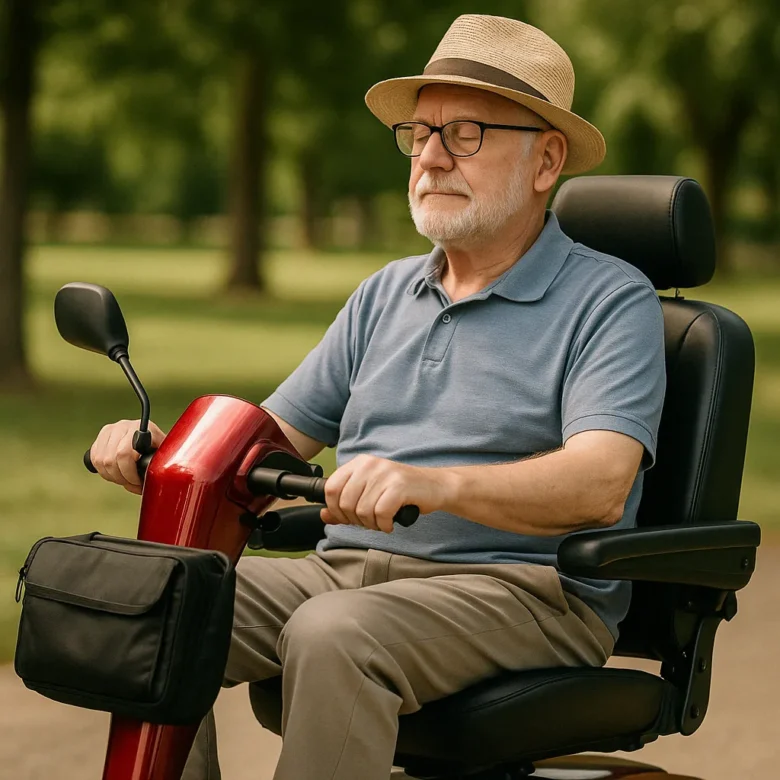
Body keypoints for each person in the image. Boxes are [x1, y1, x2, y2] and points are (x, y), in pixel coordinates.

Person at [90, 14, 665, 780]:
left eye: (465, 132)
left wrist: (437, 485)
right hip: (347, 571)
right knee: (162, 600)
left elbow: (600, 484)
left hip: (525, 594)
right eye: (419, 132)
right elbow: (267, 448)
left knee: (333, 633)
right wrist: (166, 453)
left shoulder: (610, 300)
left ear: (545, 160)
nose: (429, 156)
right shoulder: (386, 294)